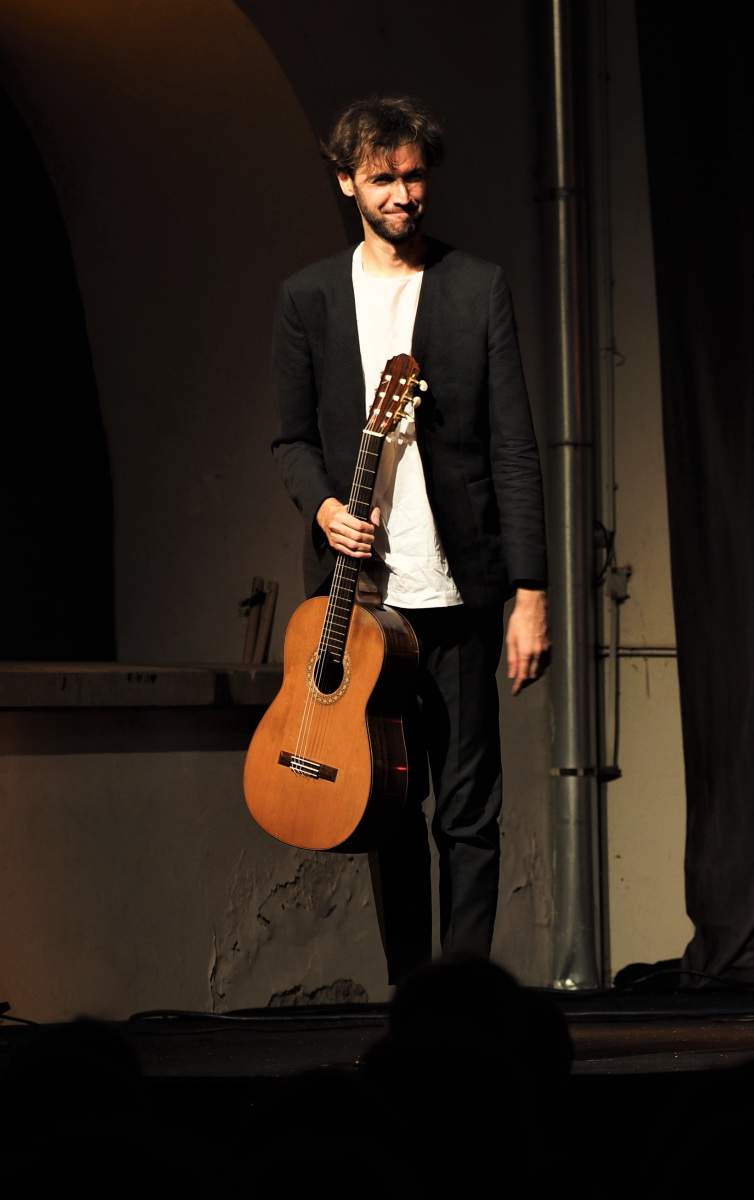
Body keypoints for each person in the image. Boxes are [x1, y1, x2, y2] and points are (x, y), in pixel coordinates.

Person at [272, 95, 549, 983]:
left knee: (468, 811)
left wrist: (530, 591)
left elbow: (513, 446)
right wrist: (324, 508)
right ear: (346, 181)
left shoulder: (476, 286)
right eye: (382, 178)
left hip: (457, 594)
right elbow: (290, 439)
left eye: (414, 175)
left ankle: (462, 998)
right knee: (385, 805)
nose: (402, 193)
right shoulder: (310, 296)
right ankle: (407, 999)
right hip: (360, 603)